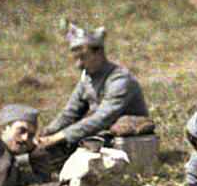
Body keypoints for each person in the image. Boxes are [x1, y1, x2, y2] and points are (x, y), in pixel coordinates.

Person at [34, 22, 149, 172]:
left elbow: (102, 118)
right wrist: (47, 132)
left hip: (122, 136)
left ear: (99, 53)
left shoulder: (120, 80)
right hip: (97, 133)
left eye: (82, 58)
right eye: (75, 59)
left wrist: (59, 137)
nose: (78, 65)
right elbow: (70, 112)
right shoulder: (87, 77)